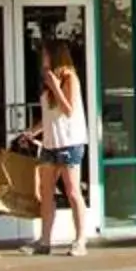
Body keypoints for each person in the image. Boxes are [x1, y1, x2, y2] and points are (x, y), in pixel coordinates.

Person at [32, 40, 92, 256]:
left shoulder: (69, 78)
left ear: (55, 56)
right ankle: (45, 240)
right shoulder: (48, 82)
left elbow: (68, 109)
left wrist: (55, 85)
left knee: (72, 191)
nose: (43, 59)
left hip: (69, 142)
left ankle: (80, 239)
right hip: (50, 143)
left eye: (46, 55)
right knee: (46, 192)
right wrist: (32, 131)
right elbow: (50, 114)